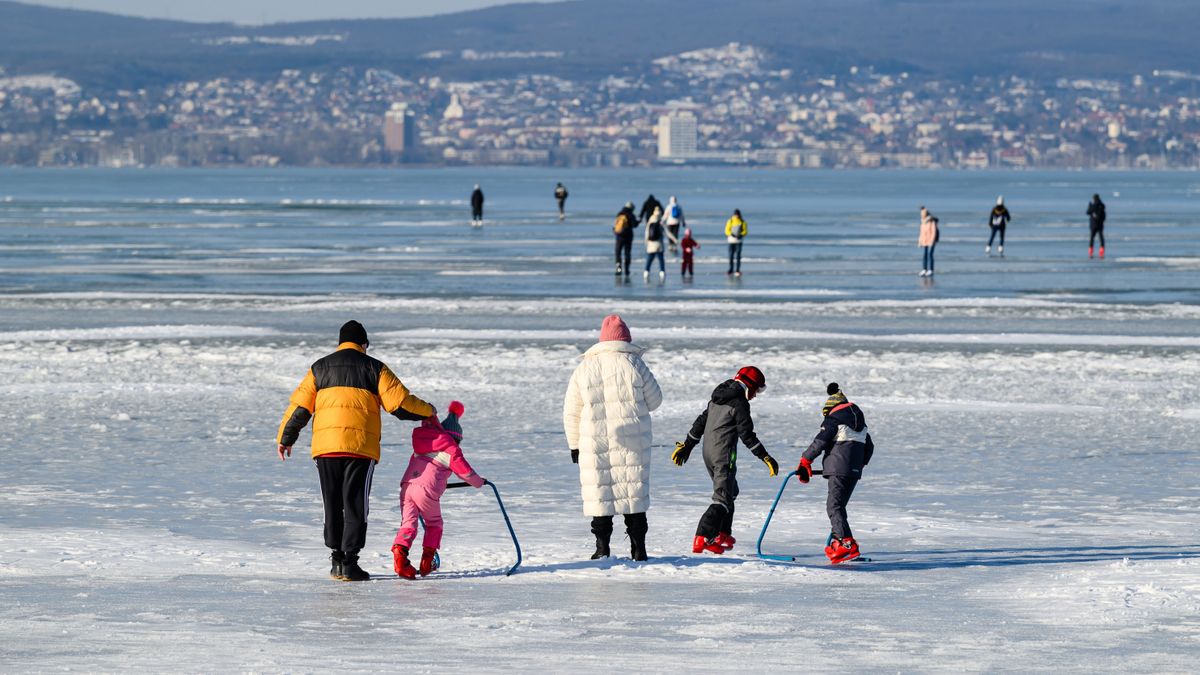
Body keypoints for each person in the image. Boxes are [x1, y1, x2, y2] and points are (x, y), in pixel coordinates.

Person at [276, 320, 436, 582]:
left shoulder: (320, 367)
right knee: (354, 504)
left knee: (332, 503)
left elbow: (300, 408)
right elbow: (400, 404)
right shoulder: (374, 367)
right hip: (360, 448)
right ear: (364, 344)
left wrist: (286, 437)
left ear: (340, 342)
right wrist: (429, 411)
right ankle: (350, 563)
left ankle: (336, 562)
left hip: (326, 449)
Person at [563, 314, 663, 561]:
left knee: (600, 494)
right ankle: (638, 548)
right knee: (634, 495)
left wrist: (574, 444)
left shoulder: (585, 367)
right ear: (626, 340)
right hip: (632, 442)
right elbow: (655, 400)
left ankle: (602, 549)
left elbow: (571, 411)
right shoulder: (634, 364)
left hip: (593, 443)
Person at [672, 366, 779, 555]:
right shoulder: (739, 403)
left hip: (708, 454)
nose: (755, 396)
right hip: (723, 455)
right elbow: (747, 435)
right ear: (749, 386)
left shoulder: (717, 397)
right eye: (756, 391)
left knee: (730, 491)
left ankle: (721, 534)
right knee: (722, 498)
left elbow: (700, 422)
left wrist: (687, 445)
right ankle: (703, 536)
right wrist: (765, 457)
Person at [391, 401, 486, 580]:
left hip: (407, 486)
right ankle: (427, 563)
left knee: (408, 524)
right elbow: (466, 473)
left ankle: (400, 557)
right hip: (427, 491)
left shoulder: (422, 446)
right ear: (455, 438)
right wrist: (479, 482)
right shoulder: (451, 450)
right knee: (434, 524)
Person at [794, 383, 874, 564]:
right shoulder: (861, 425)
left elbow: (820, 441)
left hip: (838, 469)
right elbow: (869, 447)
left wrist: (805, 461)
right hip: (853, 472)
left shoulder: (834, 419)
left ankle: (845, 543)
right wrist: (859, 464)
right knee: (839, 507)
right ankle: (844, 544)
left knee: (834, 507)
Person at [643, 206, 676, 282]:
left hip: (651, 244)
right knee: (661, 260)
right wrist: (674, 239)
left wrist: (646, 243)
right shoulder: (660, 222)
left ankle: (646, 272)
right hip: (659, 244)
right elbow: (667, 232)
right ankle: (662, 272)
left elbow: (646, 233)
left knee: (649, 259)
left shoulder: (650, 221)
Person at [613, 201, 638, 278]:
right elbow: (634, 225)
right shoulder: (630, 214)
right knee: (627, 253)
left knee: (618, 253)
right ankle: (627, 270)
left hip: (619, 236)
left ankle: (618, 270)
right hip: (628, 236)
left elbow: (615, 226)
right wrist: (638, 222)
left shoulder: (619, 213)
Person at [725, 209, 747, 276]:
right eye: (735, 214)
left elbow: (745, 231)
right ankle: (731, 269)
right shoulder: (730, 221)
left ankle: (737, 270)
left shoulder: (742, 222)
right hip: (731, 241)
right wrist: (731, 234)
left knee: (738, 256)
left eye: (737, 214)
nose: (736, 215)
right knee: (731, 255)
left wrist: (741, 235)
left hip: (739, 241)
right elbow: (726, 230)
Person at [919, 210, 939, 277]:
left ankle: (931, 270)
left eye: (923, 214)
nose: (922, 215)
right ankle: (924, 269)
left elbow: (934, 232)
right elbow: (921, 233)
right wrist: (920, 241)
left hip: (931, 241)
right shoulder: (923, 222)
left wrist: (932, 241)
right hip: (925, 241)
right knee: (925, 255)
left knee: (930, 255)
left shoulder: (932, 221)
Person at [1087, 193, 1106, 259]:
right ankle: (1101, 251)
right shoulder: (1102, 205)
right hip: (1100, 224)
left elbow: (1088, 212)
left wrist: (1089, 206)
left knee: (1092, 238)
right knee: (1101, 238)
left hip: (1093, 225)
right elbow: (1104, 216)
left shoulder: (1094, 205)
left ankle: (1091, 251)